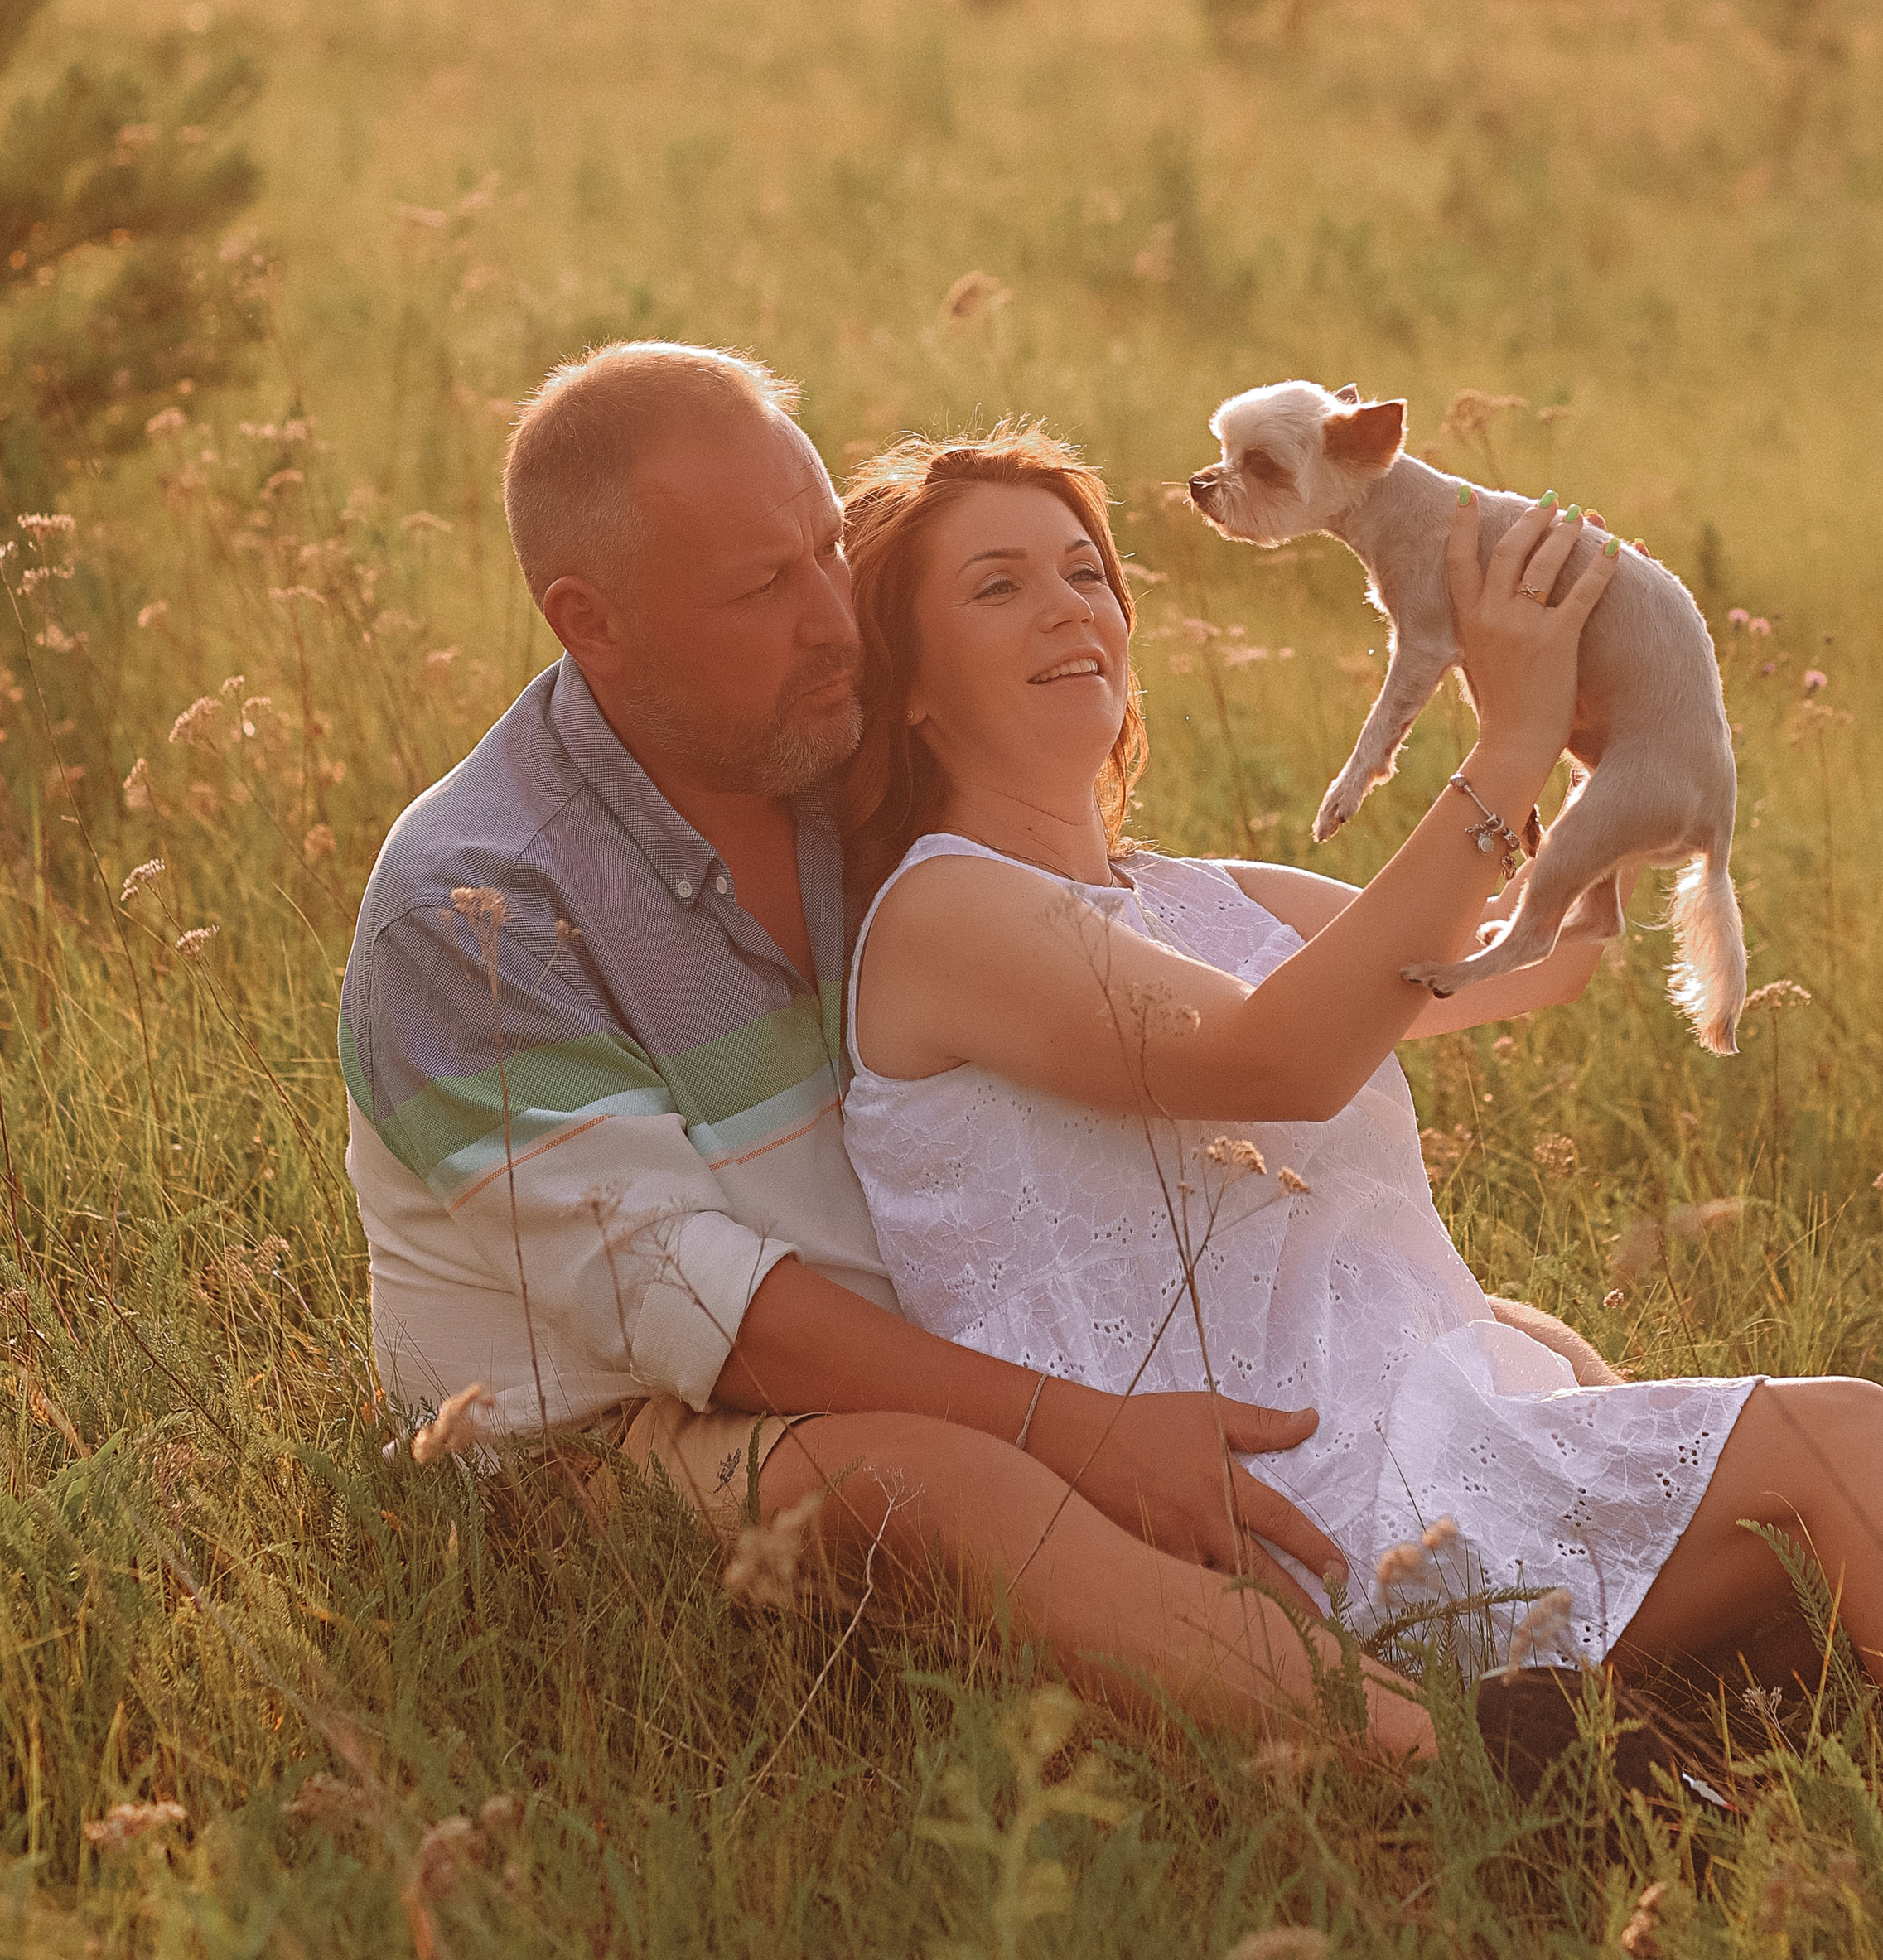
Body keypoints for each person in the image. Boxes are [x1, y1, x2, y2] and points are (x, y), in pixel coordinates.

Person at [340, 340, 1600, 1762]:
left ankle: (1634, 1634)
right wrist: (1078, 1430)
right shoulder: (477, 912)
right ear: (593, 624)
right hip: (611, 1436)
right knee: (948, 1487)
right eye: (765, 588)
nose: (835, 621)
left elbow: (1106, 932)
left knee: (1493, 1340)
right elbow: (703, 1313)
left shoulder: (826, 754)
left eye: (828, 553)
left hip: (929, 1327)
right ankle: (1478, 1776)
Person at [837, 424, 1883, 1753]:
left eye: (1086, 571)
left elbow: (1551, 959)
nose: (1070, 606)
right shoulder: (948, 913)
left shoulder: (1208, 900)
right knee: (1849, 1444)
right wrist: (1502, 746)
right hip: (1302, 1517)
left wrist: (1587, 711)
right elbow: (1280, 1060)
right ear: (908, 681)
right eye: (999, 586)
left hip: (1435, 1447)